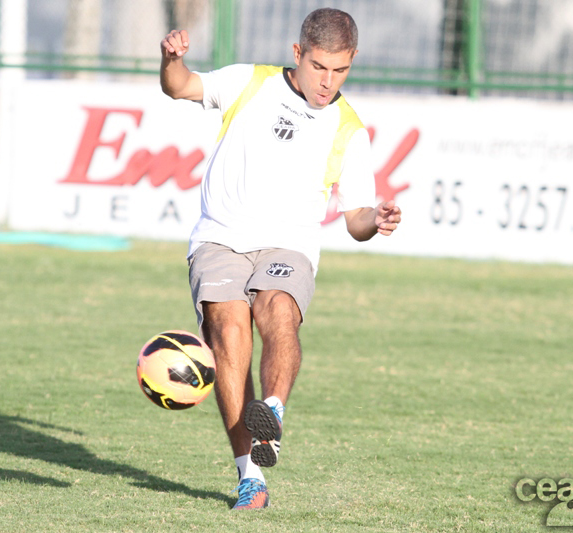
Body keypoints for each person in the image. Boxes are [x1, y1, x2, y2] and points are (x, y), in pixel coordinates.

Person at [160, 8, 401, 510]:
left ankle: (271, 412)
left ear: (352, 61)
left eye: (340, 70)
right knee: (229, 335)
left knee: (279, 316)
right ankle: (250, 476)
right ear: (298, 54)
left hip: (288, 244)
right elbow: (181, 87)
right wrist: (171, 60)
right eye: (318, 67)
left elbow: (354, 216)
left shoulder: (349, 129)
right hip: (220, 239)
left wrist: (373, 222)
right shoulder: (250, 83)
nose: (327, 81)